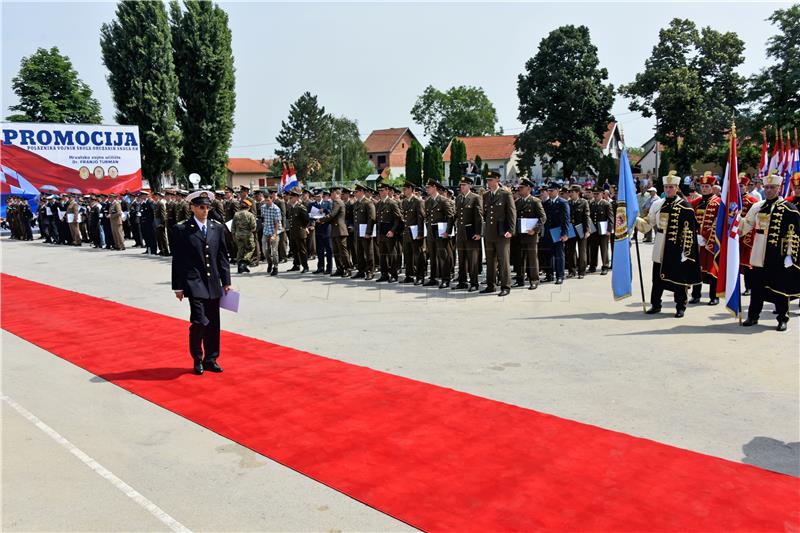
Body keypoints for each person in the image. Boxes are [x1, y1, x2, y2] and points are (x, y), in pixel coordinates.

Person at [171, 190, 231, 375]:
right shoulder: (181, 229)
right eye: (201, 207)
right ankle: (197, 358)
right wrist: (178, 286)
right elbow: (178, 259)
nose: (205, 211)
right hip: (193, 282)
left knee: (213, 323)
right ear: (192, 208)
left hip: (213, 282)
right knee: (199, 322)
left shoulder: (217, 227)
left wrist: (226, 281)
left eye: (207, 207)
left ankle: (211, 359)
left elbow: (222, 256)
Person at [739, 170, 799, 332]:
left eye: (772, 187)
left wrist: (790, 255)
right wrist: (734, 220)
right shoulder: (757, 207)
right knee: (757, 287)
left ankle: (782, 318)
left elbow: (794, 234)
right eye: (766, 187)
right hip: (758, 251)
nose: (769, 190)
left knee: (780, 288)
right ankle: (753, 316)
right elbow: (746, 225)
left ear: (779, 188)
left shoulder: (789, 208)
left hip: (777, 255)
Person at [635, 171, 702, 318]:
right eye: (666, 187)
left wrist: (687, 251)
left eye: (671, 187)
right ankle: (656, 304)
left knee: (679, 280)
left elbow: (690, 231)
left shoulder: (686, 207)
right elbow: (648, 223)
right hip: (660, 244)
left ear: (677, 188)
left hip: (677, 248)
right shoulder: (657, 204)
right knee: (657, 278)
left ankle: (680, 306)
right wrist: (635, 219)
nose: (668, 190)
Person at [481, 171, 516, 296]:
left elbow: (512, 213)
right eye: (487, 180)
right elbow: (485, 215)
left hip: (502, 233)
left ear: (497, 180)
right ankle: (491, 285)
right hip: (490, 233)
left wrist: (511, 230)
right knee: (490, 261)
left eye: (491, 180)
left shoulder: (505, 194)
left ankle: (505, 286)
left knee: (503, 260)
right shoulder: (486, 195)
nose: (488, 182)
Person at [689, 172, 720, 305]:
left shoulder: (718, 202)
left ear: (712, 187)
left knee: (712, 268)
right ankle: (696, 295)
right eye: (702, 186)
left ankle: (714, 296)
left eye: (707, 186)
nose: (704, 188)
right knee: (697, 269)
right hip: (698, 240)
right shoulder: (696, 202)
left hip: (712, 241)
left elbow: (719, 222)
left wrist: (708, 236)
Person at [514, 178, 546, 290]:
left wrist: (535, 229)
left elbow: (543, 218)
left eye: (522, 188)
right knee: (519, 259)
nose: (519, 189)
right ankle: (520, 279)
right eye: (519, 188)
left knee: (532, 258)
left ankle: (534, 280)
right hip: (520, 234)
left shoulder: (535, 201)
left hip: (531, 235)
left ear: (529, 188)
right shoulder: (517, 202)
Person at [452, 176, 483, 291]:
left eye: (464, 185)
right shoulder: (458, 198)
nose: (461, 187)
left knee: (472, 259)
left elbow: (478, 216)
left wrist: (479, 232)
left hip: (471, 233)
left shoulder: (475, 198)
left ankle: (474, 283)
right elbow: (456, 216)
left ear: (470, 185)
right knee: (461, 259)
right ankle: (462, 281)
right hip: (460, 233)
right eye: (461, 185)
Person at [317, 186, 352, 277]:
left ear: (336, 194)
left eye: (332, 193)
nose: (330, 195)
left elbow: (332, 215)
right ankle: (340, 268)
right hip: (336, 229)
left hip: (340, 230)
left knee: (343, 251)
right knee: (336, 252)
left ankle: (347, 269)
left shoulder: (337, 202)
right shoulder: (336, 202)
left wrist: (321, 220)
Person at [400, 181, 426, 285]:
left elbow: (421, 218)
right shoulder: (405, 201)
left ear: (411, 189)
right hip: (407, 232)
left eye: (405, 189)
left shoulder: (418, 201)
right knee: (408, 255)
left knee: (418, 255)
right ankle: (409, 275)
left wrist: (420, 233)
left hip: (415, 232)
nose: (404, 191)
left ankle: (420, 276)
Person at [544, 184, 570, 284]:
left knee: (559, 254)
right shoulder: (546, 203)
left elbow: (566, 219)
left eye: (551, 191)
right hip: (548, 232)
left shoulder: (563, 202)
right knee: (548, 254)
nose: (549, 192)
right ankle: (549, 275)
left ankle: (560, 276)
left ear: (557, 191)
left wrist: (565, 233)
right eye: (549, 191)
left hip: (558, 232)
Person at [352, 184, 376, 280]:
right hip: (358, 231)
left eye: (356, 192)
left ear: (362, 192)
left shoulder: (368, 202)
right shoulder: (357, 203)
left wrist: (368, 232)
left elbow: (372, 218)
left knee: (368, 251)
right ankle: (361, 270)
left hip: (365, 231)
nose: (355, 193)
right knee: (359, 252)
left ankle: (370, 271)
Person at [566, 184, 590, 279]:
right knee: (571, 250)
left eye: (572, 192)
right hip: (571, 229)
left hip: (581, 228)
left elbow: (586, 216)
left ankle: (582, 271)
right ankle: (572, 271)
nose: (570, 194)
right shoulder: (568, 203)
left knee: (582, 250)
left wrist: (587, 230)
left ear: (577, 193)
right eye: (570, 192)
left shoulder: (584, 202)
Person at [588, 187, 612, 275]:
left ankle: (605, 266)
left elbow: (610, 218)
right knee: (593, 249)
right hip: (594, 230)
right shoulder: (591, 204)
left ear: (602, 194)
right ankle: (592, 266)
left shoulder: (606, 204)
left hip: (603, 231)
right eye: (594, 194)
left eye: (597, 194)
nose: (595, 196)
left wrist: (609, 229)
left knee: (604, 249)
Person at [286, 190, 310, 273]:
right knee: (294, 249)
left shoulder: (301, 207)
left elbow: (306, 219)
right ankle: (296, 265)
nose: (290, 199)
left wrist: (303, 227)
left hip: (300, 232)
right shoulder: (292, 207)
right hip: (293, 231)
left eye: (291, 197)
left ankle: (305, 266)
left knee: (302, 250)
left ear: (296, 197)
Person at [232, 199, 257, 273]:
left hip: (238, 235)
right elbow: (253, 226)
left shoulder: (236, 214)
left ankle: (240, 267)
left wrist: (233, 234)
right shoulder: (249, 214)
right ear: (248, 207)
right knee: (251, 248)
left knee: (240, 250)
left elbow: (233, 226)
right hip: (247, 235)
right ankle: (244, 262)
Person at [260, 193, 283, 276]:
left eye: (268, 200)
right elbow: (262, 217)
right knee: (264, 250)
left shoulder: (276, 209)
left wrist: (274, 235)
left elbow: (277, 223)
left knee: (274, 251)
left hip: (274, 231)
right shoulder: (263, 207)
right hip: (266, 231)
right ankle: (269, 262)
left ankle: (275, 267)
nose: (267, 202)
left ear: (272, 199)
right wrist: (263, 224)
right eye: (265, 200)